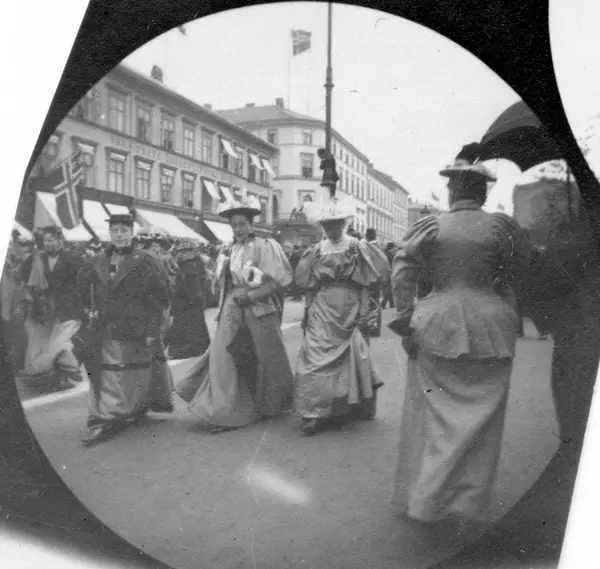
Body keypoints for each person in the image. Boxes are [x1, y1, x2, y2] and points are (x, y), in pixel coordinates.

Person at [389, 143, 531, 531]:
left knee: (435, 419)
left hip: (437, 322)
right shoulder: (500, 227)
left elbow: (402, 275)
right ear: (483, 192)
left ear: (452, 189)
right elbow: (521, 271)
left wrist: (405, 319)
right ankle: (467, 505)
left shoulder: (432, 226)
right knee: (482, 422)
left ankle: (427, 501)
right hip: (492, 324)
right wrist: (505, 303)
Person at [174, 194, 294, 433]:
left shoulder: (264, 246)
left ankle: (268, 406)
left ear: (251, 224)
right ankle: (225, 412)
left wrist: (250, 295)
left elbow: (276, 282)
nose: (238, 229)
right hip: (232, 309)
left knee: (265, 357)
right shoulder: (228, 249)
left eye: (242, 224)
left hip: (259, 309)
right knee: (223, 354)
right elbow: (224, 283)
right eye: (234, 225)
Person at [294, 199, 390, 436]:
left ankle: (341, 409)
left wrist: (363, 312)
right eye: (327, 224)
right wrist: (307, 311)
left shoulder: (357, 247)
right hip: (321, 308)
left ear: (344, 223)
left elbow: (368, 283)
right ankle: (314, 412)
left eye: (336, 223)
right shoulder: (316, 250)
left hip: (349, 307)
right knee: (313, 356)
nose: (331, 228)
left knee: (348, 359)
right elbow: (309, 285)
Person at [76, 214, 172, 445]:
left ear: (132, 232)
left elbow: (159, 297)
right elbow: (83, 287)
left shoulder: (145, 260)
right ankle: (104, 417)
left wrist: (152, 328)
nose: (119, 235)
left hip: (136, 325)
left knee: (135, 370)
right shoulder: (99, 260)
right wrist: (89, 309)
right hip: (106, 325)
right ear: (110, 232)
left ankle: (134, 406)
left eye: (124, 230)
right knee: (108, 371)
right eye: (115, 230)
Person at [19, 226, 84, 389]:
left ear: (60, 240)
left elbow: (83, 282)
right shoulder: (36, 259)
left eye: (51, 240)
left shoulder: (73, 258)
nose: (48, 244)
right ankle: (58, 377)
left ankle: (70, 374)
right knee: (46, 346)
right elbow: (23, 275)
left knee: (61, 343)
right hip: (46, 310)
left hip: (69, 308)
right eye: (45, 241)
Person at [165, 241, 211, 359]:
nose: (183, 254)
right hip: (191, 300)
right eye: (182, 251)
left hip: (187, 300)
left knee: (187, 325)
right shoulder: (195, 262)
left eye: (186, 251)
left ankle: (186, 350)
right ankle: (197, 347)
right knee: (194, 325)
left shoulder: (189, 264)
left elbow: (191, 284)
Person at [380, 242, 397, 309]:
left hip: (386, 273)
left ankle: (391, 304)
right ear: (391, 248)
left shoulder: (386, 253)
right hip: (388, 274)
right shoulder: (389, 255)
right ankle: (383, 304)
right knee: (388, 289)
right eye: (394, 247)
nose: (395, 248)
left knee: (389, 288)